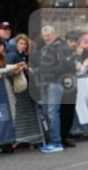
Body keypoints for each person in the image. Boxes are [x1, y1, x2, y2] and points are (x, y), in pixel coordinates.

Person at [33, 25, 76, 153]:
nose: (46, 37)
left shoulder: (61, 47)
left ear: (54, 34)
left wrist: (51, 72)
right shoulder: (46, 48)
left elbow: (68, 65)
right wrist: (37, 72)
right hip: (45, 84)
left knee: (52, 113)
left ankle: (56, 142)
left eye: (49, 35)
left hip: (55, 84)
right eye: (44, 36)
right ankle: (53, 141)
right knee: (47, 113)